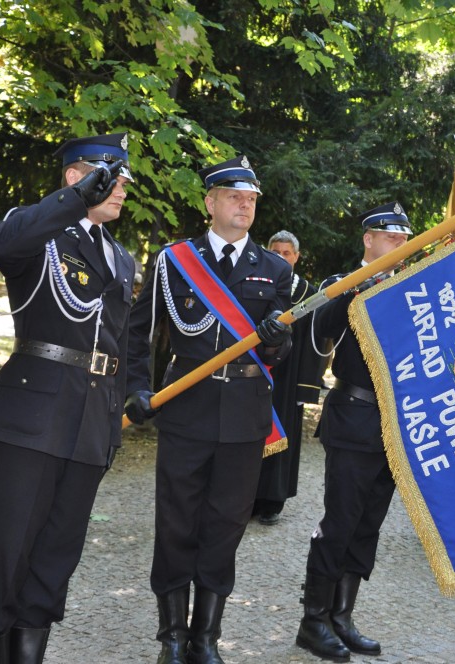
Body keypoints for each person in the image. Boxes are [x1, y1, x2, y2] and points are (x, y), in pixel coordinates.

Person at [0, 133, 136, 663]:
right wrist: (74, 201)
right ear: (76, 177)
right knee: (12, 542)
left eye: (124, 180)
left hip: (91, 419)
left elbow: (122, 346)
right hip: (33, 412)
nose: (122, 188)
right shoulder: (40, 232)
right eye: (112, 178)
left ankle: (29, 649)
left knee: (60, 549)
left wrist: (113, 424)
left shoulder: (122, 259)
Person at [125, 156, 293, 664]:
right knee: (176, 522)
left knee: (225, 525)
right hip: (187, 409)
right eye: (235, 196)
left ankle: (206, 638)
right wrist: (136, 386)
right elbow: (140, 331)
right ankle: (172, 636)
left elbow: (275, 356)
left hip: (244, 415)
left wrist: (275, 343)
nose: (245, 205)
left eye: (252, 199)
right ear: (210, 203)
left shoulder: (276, 269)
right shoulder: (174, 260)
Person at [296, 202, 412, 662]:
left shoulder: (410, 288)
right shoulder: (340, 284)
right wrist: (354, 288)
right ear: (369, 239)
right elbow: (319, 332)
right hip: (353, 417)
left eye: (405, 239)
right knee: (340, 522)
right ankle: (313, 621)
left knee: (368, 525)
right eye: (391, 238)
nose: (400, 245)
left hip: (393, 426)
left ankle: (341, 617)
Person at [252, 230, 326, 525]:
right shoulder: (258, 285)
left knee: (283, 436)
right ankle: (249, 496)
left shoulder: (309, 294)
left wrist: (307, 387)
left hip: (290, 377)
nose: (282, 257)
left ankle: (273, 500)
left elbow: (316, 344)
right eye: (276, 251)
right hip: (257, 371)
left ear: (296, 257)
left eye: (287, 253)